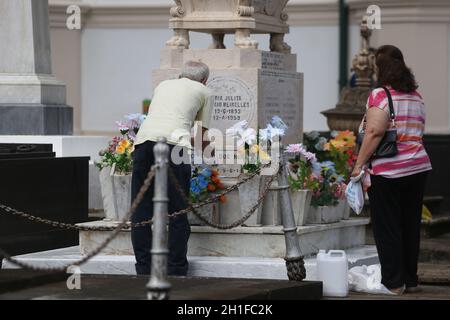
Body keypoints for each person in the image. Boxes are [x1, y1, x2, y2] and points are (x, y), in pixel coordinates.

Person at [351, 45, 432, 295]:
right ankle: (408, 278)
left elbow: (375, 132)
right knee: (409, 225)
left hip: (389, 171)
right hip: (418, 167)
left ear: (380, 68)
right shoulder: (416, 96)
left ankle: (394, 283)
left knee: (387, 227)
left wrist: (358, 166)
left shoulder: (380, 94)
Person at [131, 61, 212, 276]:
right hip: (174, 146)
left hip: (143, 143)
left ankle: (143, 268)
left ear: (180, 75)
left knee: (140, 209)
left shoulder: (163, 85)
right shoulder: (204, 91)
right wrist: (213, 161)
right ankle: (176, 268)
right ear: (205, 80)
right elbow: (202, 136)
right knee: (177, 210)